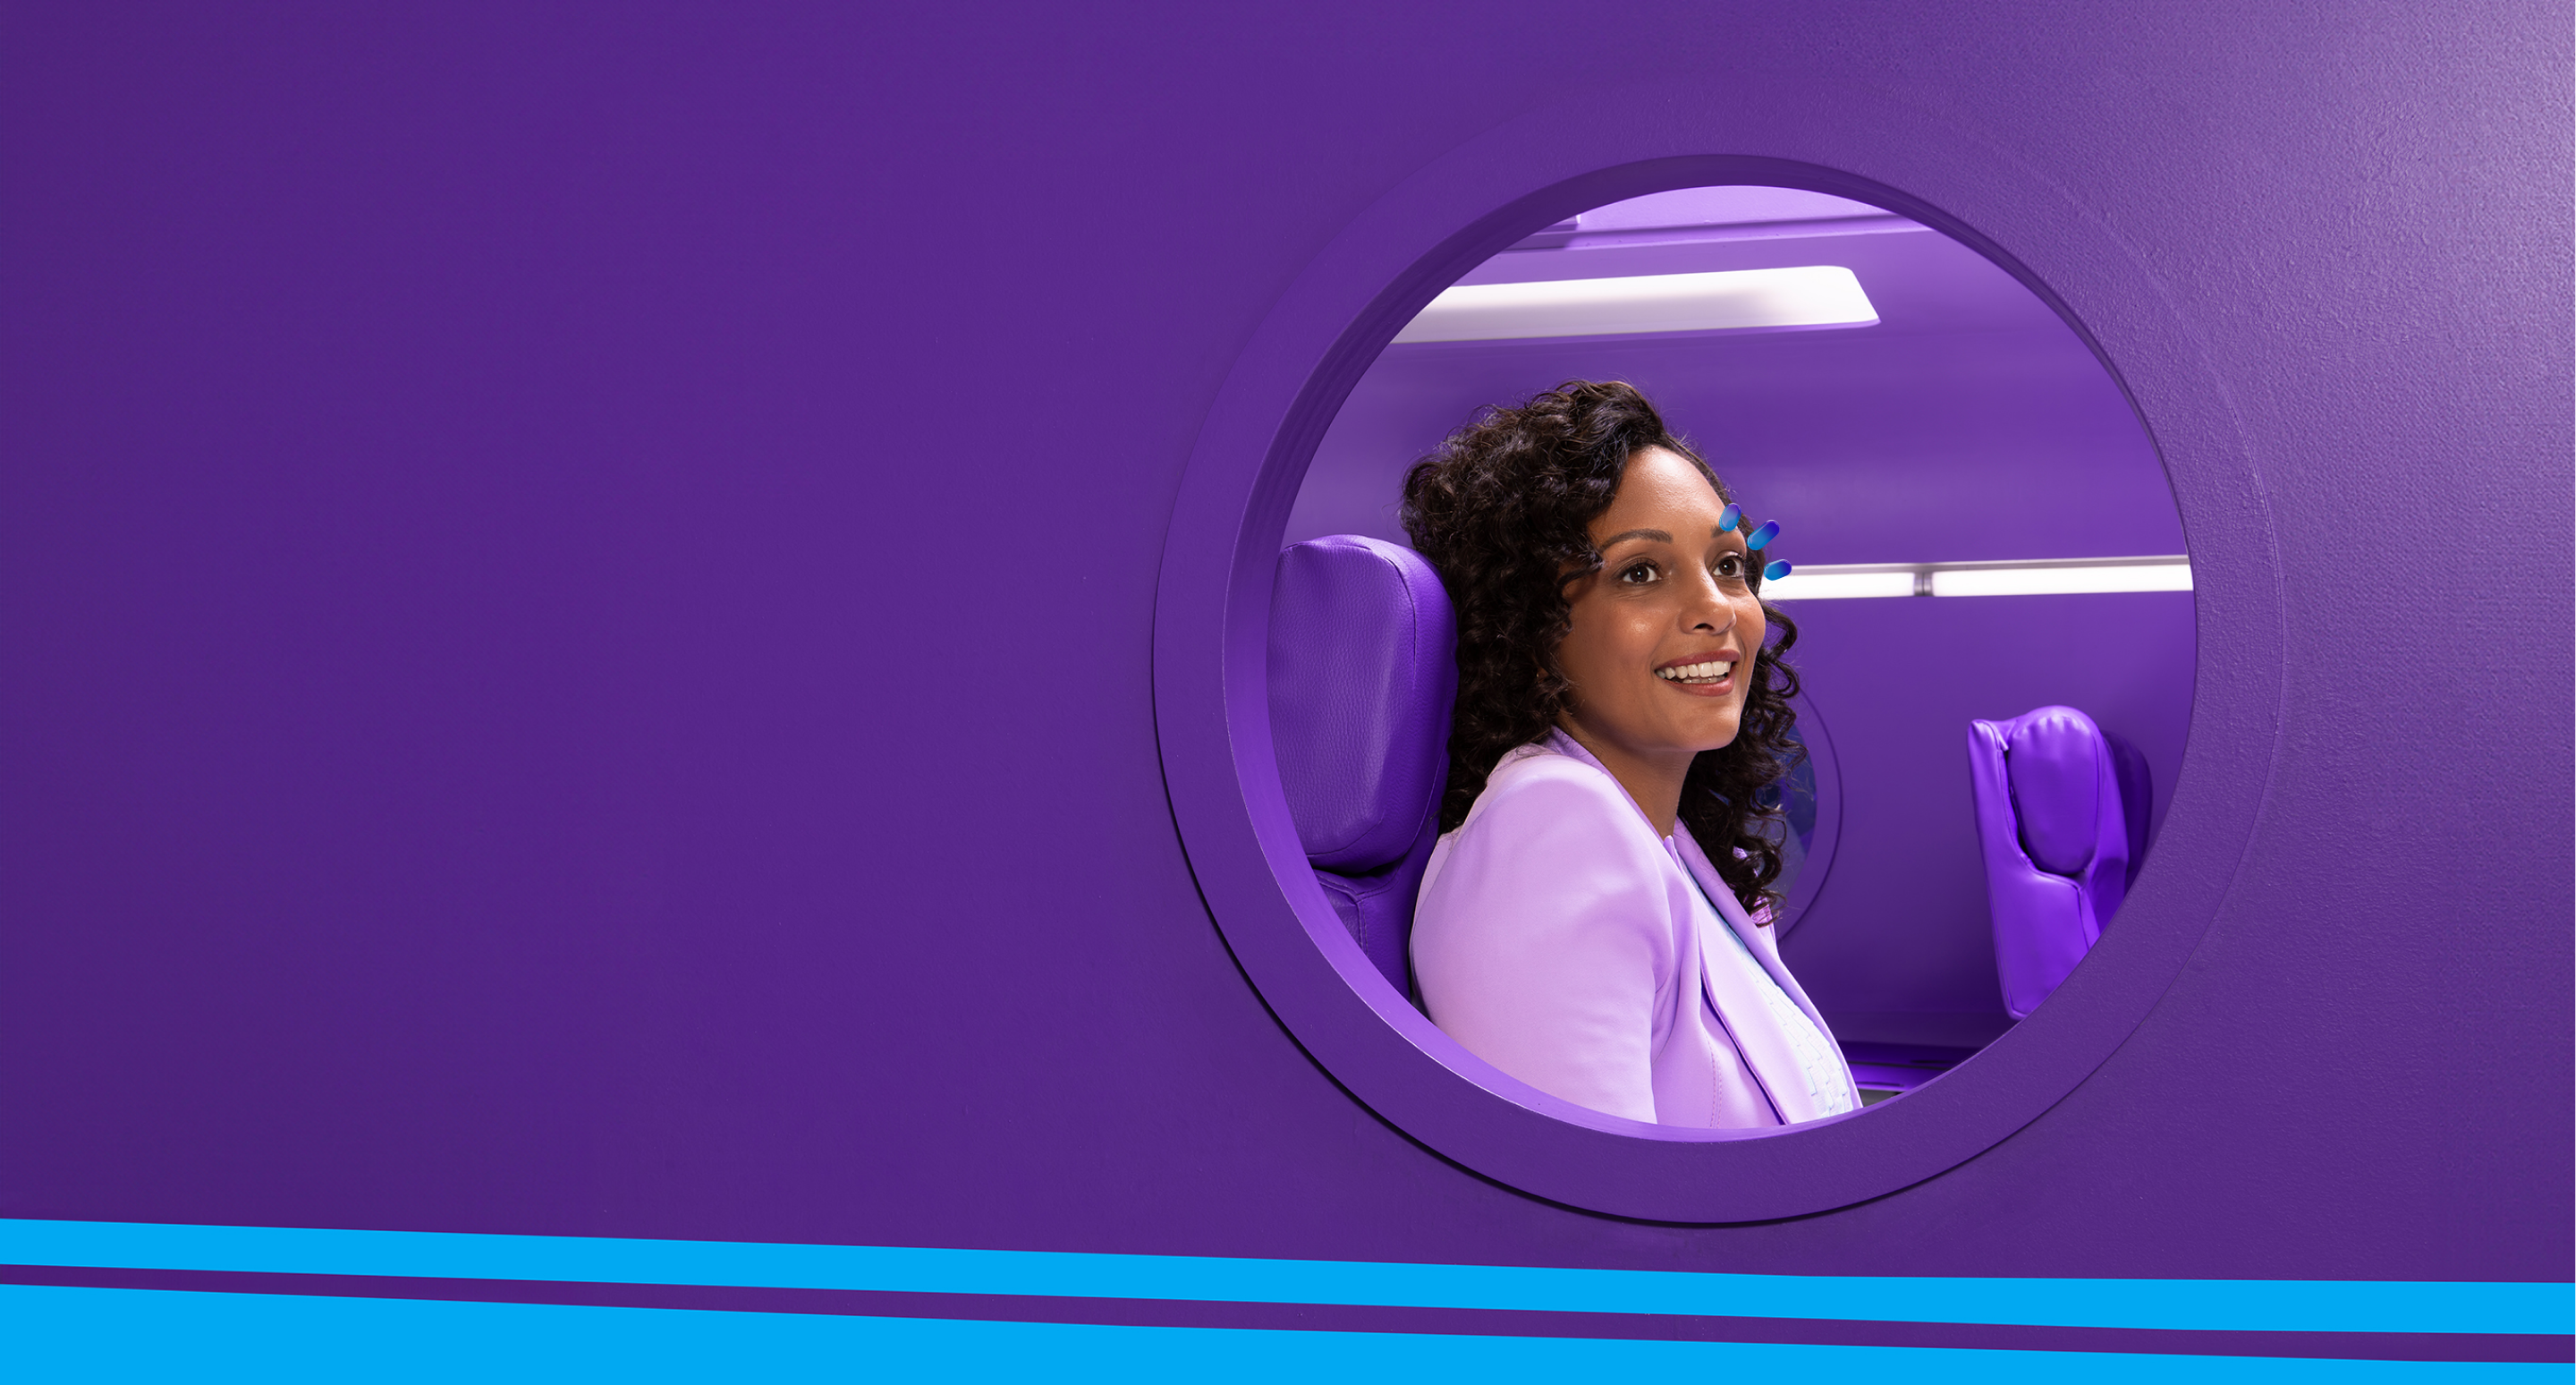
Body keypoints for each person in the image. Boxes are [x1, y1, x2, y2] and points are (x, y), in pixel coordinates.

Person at [1402, 381, 1859, 1128]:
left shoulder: (1680, 850)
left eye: (1730, 564)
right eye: (1640, 572)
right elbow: (1586, 1230)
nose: (1716, 606)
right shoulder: (1555, 826)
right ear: (1532, 630)